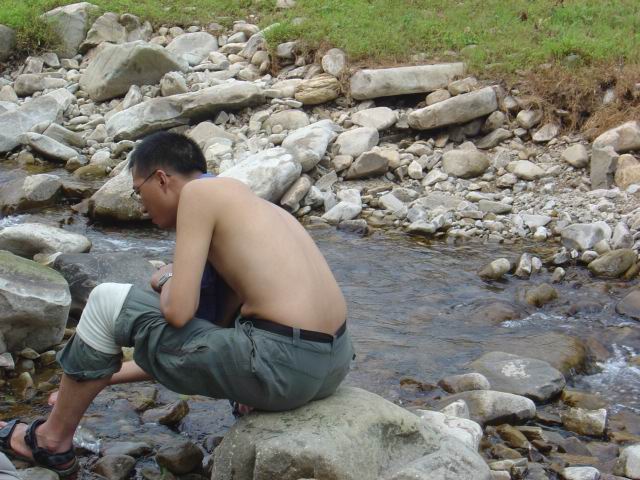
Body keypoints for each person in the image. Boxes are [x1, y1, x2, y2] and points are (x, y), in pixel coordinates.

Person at [0, 131, 354, 476]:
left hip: (282, 367)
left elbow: (178, 313)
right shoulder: (248, 206)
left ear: (161, 179)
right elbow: (194, 344)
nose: (141, 205)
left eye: (138, 191)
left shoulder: (198, 194)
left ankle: (50, 441)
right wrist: (100, 379)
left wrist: (166, 277)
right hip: (330, 367)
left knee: (107, 300)